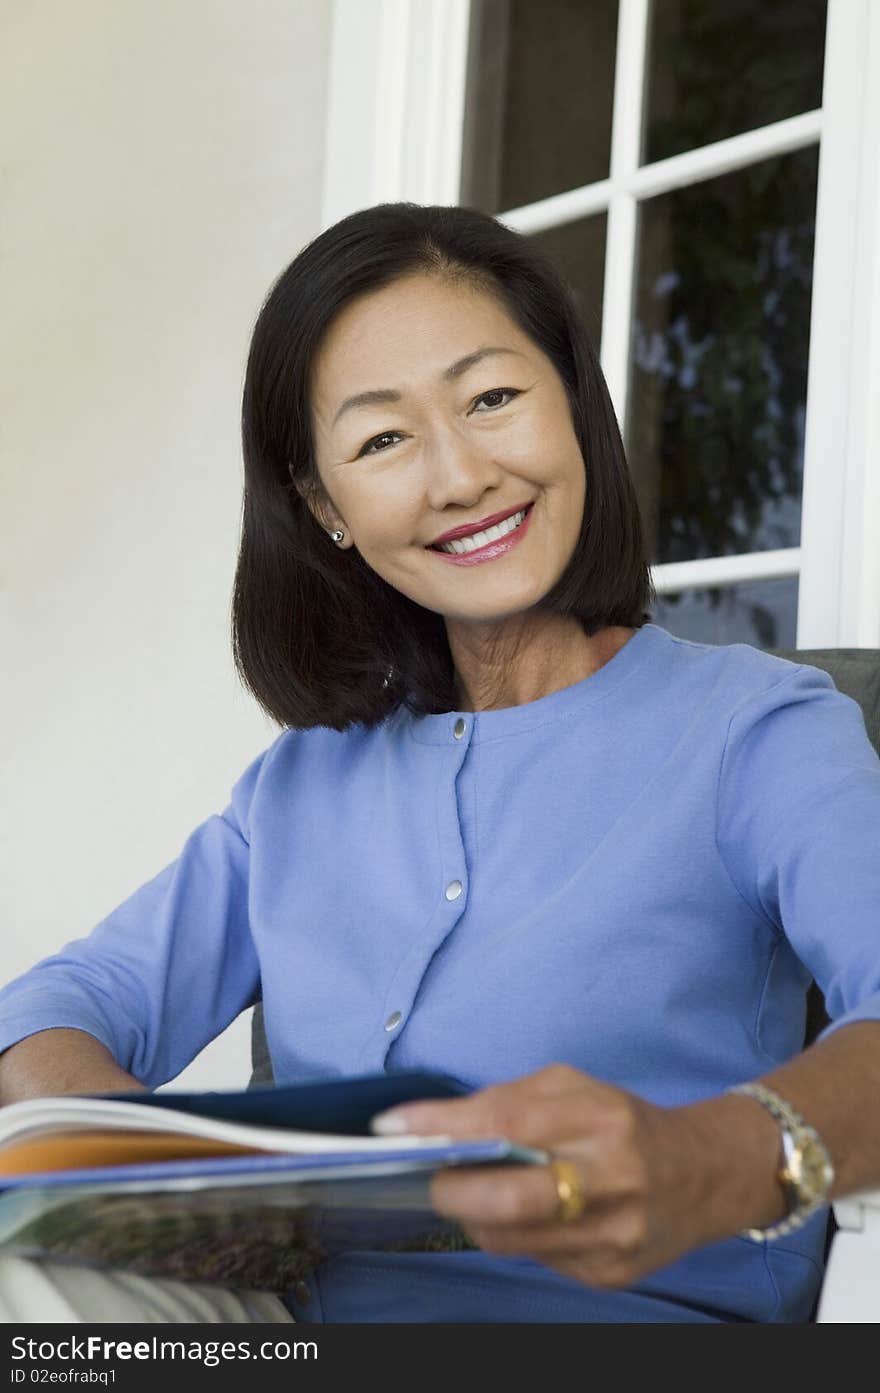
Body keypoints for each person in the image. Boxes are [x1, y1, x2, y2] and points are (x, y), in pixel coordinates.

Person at [1, 202, 879, 1325]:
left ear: (569, 403)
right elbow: (55, 1009)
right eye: (381, 439)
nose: (459, 476)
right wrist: (170, 1188)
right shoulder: (299, 784)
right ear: (324, 506)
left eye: (492, 399)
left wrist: (705, 1154)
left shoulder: (756, 730)